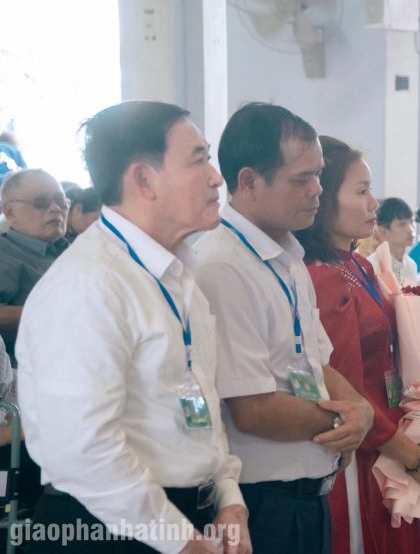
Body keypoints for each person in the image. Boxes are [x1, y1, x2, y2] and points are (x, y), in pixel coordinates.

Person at [16, 101, 251, 553]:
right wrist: (180, 539)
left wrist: (228, 498)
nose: (216, 178)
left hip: (179, 519)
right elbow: (82, 452)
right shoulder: (88, 285)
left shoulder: (177, 273)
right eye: (198, 160)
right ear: (143, 179)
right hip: (106, 530)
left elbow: (200, 403)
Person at [195, 103, 374, 553]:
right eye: (301, 179)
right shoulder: (222, 265)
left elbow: (318, 364)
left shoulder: (290, 257)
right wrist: (344, 419)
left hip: (308, 496)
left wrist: (361, 409)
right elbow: (253, 409)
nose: (318, 190)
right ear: (249, 181)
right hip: (261, 503)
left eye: (319, 175)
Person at [297, 136, 420, 554]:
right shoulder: (323, 278)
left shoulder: (358, 265)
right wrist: (411, 456)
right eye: (361, 191)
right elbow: (348, 394)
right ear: (324, 200)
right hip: (367, 452)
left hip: (389, 438)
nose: (373, 203)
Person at [0, 169, 70, 364]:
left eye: (61, 201)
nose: (55, 208)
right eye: (41, 202)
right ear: (10, 212)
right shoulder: (4, 253)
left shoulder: (71, 247)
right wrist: (58, 312)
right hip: (27, 370)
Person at [369, 197, 417, 285]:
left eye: (412, 222)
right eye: (402, 224)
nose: (410, 229)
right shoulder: (372, 267)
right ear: (383, 231)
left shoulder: (411, 265)